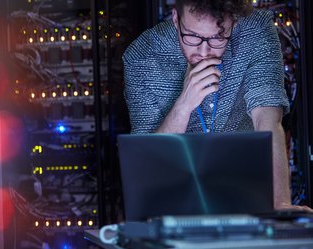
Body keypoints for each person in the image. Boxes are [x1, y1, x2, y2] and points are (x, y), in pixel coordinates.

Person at [122, 0, 312, 212]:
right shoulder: (142, 56)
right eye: (192, 36)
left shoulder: (256, 29)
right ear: (176, 19)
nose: (204, 51)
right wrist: (183, 106)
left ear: (234, 22)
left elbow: (267, 119)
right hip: (174, 203)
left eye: (218, 37)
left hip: (246, 197)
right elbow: (147, 166)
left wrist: (280, 204)